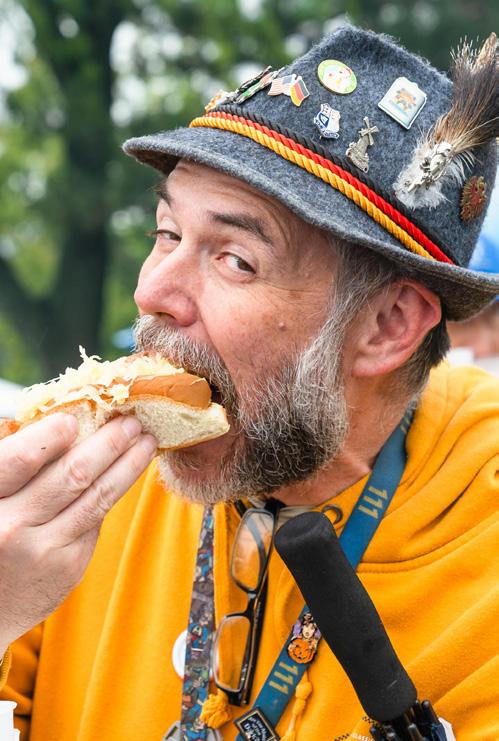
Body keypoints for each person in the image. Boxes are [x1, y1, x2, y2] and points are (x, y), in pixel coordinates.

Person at [0, 25, 498, 741]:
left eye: (234, 259)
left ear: (388, 324)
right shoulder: (65, 500)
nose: (152, 293)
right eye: (167, 234)